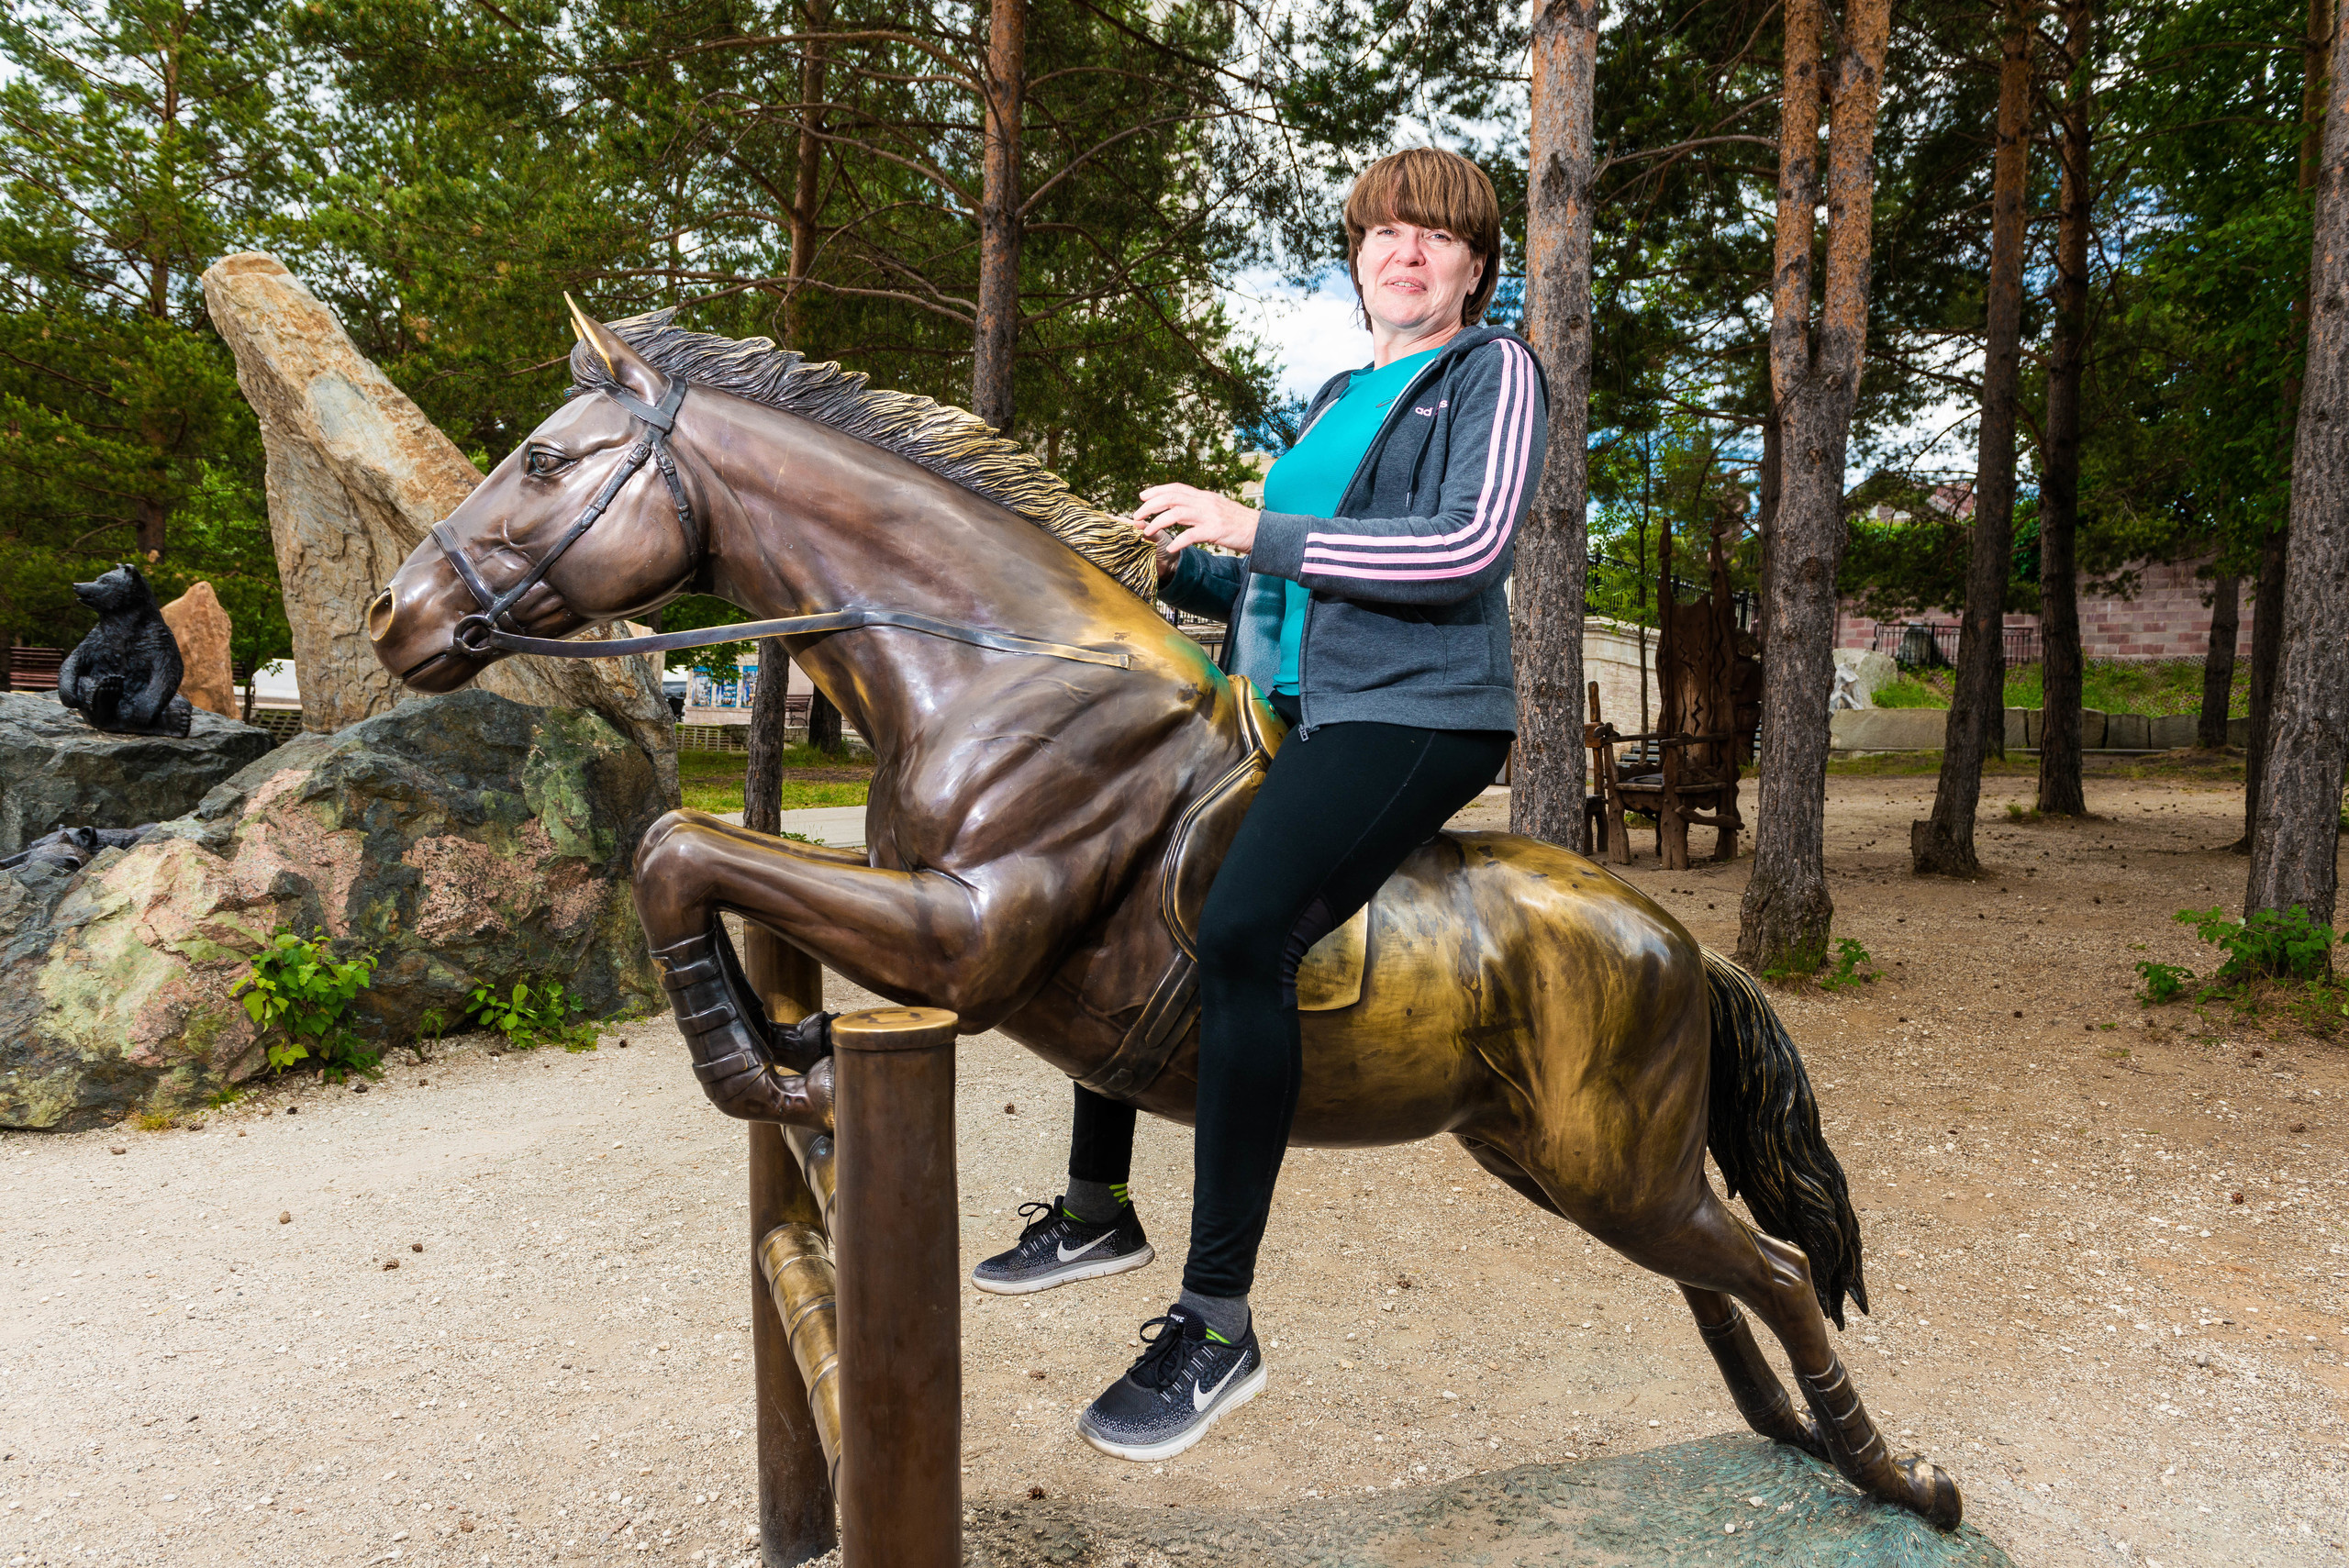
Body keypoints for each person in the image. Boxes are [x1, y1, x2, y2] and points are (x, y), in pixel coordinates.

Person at [969, 147, 1548, 1462]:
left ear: (1475, 266)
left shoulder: (1491, 374)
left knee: (1240, 934)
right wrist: (1178, 571)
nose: (1407, 253)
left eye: (1436, 237)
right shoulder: (1344, 394)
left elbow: (1464, 551)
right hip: (1284, 709)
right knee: (1119, 880)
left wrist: (1251, 524)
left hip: (1417, 713)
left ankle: (1217, 1324)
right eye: (1383, 234)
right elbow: (1284, 592)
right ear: (1355, 261)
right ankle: (1095, 1203)